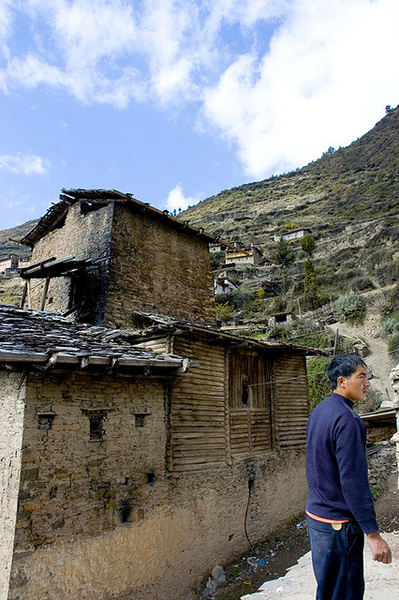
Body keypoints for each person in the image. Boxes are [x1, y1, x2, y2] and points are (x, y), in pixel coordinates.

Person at [306, 354, 392, 599]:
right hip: (338, 527)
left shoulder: (321, 410)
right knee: (346, 592)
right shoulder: (348, 420)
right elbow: (354, 482)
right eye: (361, 377)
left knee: (329, 590)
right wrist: (373, 533)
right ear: (342, 382)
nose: (367, 384)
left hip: (317, 518)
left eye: (367, 376)